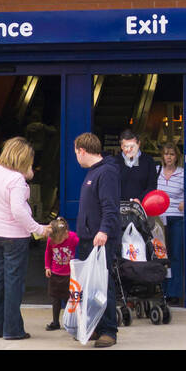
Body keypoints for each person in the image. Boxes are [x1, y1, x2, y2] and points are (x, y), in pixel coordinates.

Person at [0, 135, 50, 341]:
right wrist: (38, 229)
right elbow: (18, 211)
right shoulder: (16, 180)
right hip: (14, 236)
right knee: (14, 283)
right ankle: (13, 330)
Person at [74, 131, 121, 348]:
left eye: (76, 152)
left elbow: (110, 207)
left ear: (82, 150)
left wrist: (103, 231)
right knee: (90, 287)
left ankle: (109, 331)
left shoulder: (106, 172)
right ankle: (95, 326)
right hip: (88, 239)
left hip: (99, 240)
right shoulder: (94, 172)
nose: (76, 157)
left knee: (103, 285)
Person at [156, 142, 185, 304]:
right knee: (161, 256)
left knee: (175, 256)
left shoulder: (182, 173)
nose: (169, 157)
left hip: (176, 218)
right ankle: (162, 290)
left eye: (172, 154)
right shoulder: (156, 172)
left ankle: (174, 292)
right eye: (166, 154)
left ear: (177, 157)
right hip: (159, 220)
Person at [42, 216, 79, 331]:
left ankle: (72, 321)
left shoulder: (73, 238)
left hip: (69, 275)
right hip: (55, 274)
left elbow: (82, 248)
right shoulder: (51, 239)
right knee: (55, 298)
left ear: (66, 233)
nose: (57, 243)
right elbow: (48, 252)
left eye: (61, 240)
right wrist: (47, 266)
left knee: (70, 299)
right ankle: (55, 321)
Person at [118, 130, 158, 203]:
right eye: (126, 146)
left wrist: (140, 199)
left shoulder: (148, 161)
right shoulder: (114, 162)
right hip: (118, 208)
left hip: (142, 207)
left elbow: (152, 186)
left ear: (139, 144)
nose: (129, 150)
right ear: (121, 146)